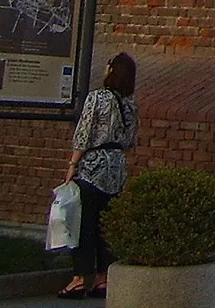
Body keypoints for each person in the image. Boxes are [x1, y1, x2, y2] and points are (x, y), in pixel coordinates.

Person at [60, 54, 137, 300]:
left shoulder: (97, 98)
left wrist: (73, 164)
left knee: (84, 223)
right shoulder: (130, 104)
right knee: (106, 225)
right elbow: (130, 141)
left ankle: (80, 278)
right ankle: (104, 279)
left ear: (112, 71)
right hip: (116, 168)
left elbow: (84, 133)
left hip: (93, 167)